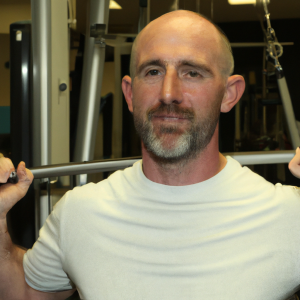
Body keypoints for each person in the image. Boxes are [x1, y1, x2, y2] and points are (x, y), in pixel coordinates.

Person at [1, 10, 300, 300]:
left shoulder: (289, 215)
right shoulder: (79, 214)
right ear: (131, 95)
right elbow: (25, 293)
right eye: (153, 71)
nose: (169, 93)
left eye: (192, 72)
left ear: (229, 94)